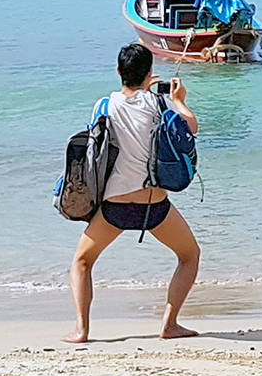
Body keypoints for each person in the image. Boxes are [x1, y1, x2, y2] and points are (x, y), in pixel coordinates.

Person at [64, 43, 200, 343]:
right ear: (150, 74)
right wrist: (178, 101)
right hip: (154, 205)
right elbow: (191, 127)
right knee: (189, 255)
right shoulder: (159, 105)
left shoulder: (103, 107)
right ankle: (170, 324)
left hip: (115, 207)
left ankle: (82, 330)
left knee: (82, 262)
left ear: (118, 72)